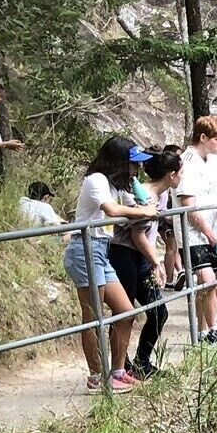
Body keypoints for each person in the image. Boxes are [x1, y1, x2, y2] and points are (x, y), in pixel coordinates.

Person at [65, 137, 158, 392]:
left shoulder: (117, 186)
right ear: (118, 162)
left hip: (101, 251)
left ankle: (117, 371)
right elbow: (112, 211)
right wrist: (144, 212)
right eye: (132, 164)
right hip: (85, 250)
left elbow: (138, 205)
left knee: (126, 312)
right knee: (93, 317)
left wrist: (143, 203)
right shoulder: (96, 180)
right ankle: (97, 376)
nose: (136, 170)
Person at [109, 149, 183, 382]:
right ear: (172, 175)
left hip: (139, 257)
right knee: (124, 312)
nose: (182, 177)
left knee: (158, 311)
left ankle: (141, 361)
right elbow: (138, 236)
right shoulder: (146, 196)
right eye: (181, 172)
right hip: (125, 255)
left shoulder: (156, 195)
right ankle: (121, 365)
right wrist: (156, 263)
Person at [175, 116, 217, 343]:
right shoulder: (186, 163)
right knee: (207, 278)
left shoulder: (213, 161)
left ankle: (203, 326)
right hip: (194, 234)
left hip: (215, 228)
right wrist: (208, 232)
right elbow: (188, 206)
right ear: (203, 137)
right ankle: (212, 329)